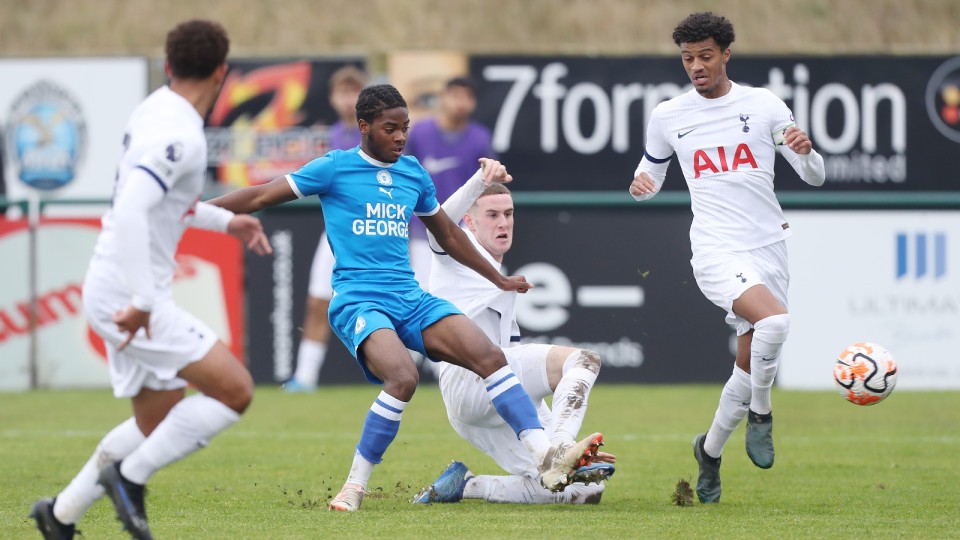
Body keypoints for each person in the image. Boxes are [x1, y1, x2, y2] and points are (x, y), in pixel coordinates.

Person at [206, 84, 604, 512]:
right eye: (390, 128)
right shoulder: (335, 168)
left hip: (409, 298)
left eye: (405, 128)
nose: (400, 137)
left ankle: (546, 454)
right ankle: (354, 487)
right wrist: (195, 214)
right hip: (360, 301)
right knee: (403, 378)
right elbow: (261, 194)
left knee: (490, 357)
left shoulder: (412, 173)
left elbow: (448, 234)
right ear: (364, 126)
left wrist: (498, 279)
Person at [29, 20, 272, 540]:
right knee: (235, 391)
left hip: (113, 285)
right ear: (222, 73)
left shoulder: (155, 109)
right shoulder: (180, 132)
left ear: (167, 66)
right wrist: (142, 300)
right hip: (130, 294)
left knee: (156, 418)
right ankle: (129, 477)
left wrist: (226, 221)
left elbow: (165, 202)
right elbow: (133, 208)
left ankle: (60, 515)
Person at [628, 11, 825, 504]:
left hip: (769, 246)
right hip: (715, 247)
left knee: (747, 365)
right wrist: (641, 186)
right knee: (775, 323)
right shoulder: (668, 115)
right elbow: (651, 175)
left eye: (705, 56)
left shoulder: (764, 105)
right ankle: (763, 412)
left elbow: (814, 175)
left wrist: (807, 152)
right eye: (687, 58)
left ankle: (709, 451)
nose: (696, 66)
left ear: (726, 55)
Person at [411, 172, 616, 506]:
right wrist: (479, 181)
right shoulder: (455, 252)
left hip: (483, 399)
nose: (503, 222)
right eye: (492, 215)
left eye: (508, 213)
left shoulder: (497, 274)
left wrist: (577, 464)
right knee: (583, 360)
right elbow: (438, 225)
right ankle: (562, 446)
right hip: (468, 381)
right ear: (469, 223)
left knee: (582, 490)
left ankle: (467, 485)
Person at [283, 65, 368, 393]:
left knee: (388, 306)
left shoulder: (374, 134)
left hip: (370, 233)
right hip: (335, 232)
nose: (348, 100)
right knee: (318, 301)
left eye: (354, 92)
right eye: (342, 92)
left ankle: (421, 370)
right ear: (332, 98)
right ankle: (305, 378)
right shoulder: (333, 134)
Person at [403, 76, 496, 298]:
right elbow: (405, 178)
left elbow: (489, 187)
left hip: (465, 231)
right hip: (422, 228)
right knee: (425, 295)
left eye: (467, 97)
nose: (460, 102)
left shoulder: (481, 138)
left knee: (465, 295)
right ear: (443, 98)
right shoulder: (419, 132)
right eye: (455, 95)